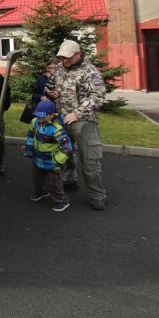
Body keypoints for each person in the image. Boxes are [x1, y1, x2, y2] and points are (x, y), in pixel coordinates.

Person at [45, 39, 108, 211]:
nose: (64, 61)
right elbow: (49, 86)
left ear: (78, 54)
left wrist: (77, 114)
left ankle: (97, 194)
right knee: (65, 154)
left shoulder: (90, 71)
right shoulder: (58, 68)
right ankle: (69, 180)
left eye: (68, 58)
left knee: (90, 160)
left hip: (83, 121)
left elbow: (97, 97)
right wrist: (50, 92)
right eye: (62, 57)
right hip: (61, 119)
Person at [24, 99, 73, 212]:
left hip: (52, 162)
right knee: (37, 178)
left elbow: (67, 148)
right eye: (38, 116)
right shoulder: (34, 122)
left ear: (51, 115)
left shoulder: (56, 129)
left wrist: (57, 161)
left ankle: (61, 201)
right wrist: (29, 148)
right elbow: (31, 135)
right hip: (38, 159)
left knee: (53, 182)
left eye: (42, 117)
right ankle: (41, 192)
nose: (39, 119)